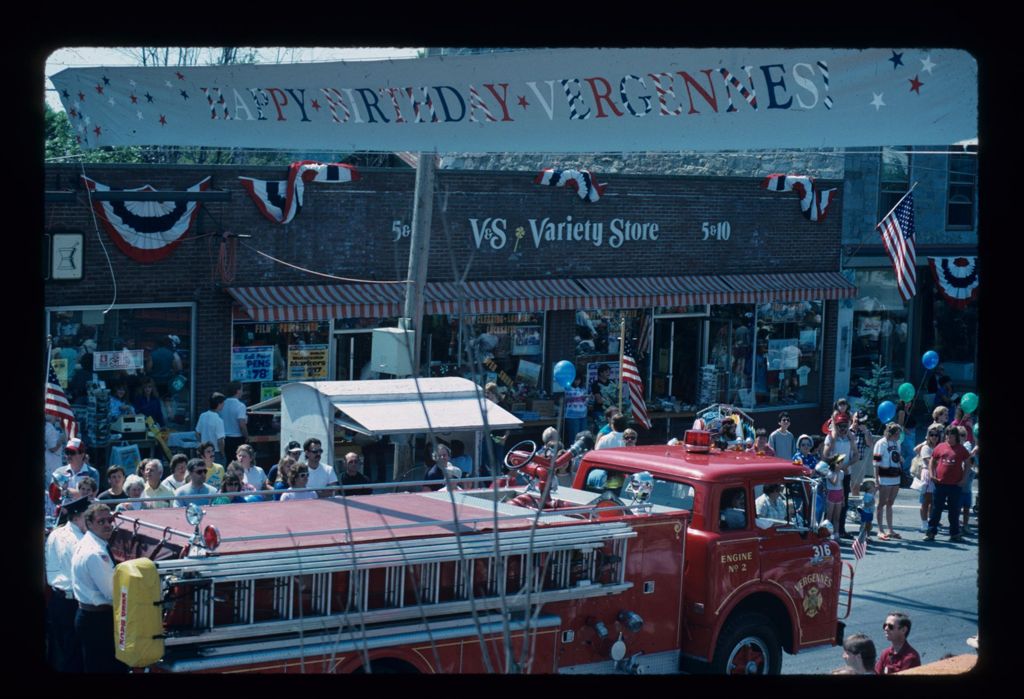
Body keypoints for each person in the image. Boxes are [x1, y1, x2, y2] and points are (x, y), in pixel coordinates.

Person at [71, 502, 129, 673]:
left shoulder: (88, 542)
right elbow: (112, 593)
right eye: (101, 522)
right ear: (89, 524)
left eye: (109, 520)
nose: (107, 525)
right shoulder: (96, 552)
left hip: (90, 617)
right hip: (98, 621)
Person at [45, 496, 89, 672]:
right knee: (74, 657)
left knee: (61, 653)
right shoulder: (79, 541)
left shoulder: (56, 533)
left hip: (57, 600)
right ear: (78, 516)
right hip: (73, 603)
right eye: (89, 515)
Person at [925, 426, 970, 542]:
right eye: (947, 435)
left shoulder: (961, 449)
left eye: (951, 435)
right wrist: (931, 474)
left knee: (954, 510)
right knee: (936, 509)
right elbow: (932, 461)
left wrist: (964, 479)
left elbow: (967, 464)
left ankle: (954, 533)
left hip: (955, 485)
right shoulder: (940, 447)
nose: (949, 437)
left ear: (956, 437)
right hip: (940, 483)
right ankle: (931, 532)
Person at [823, 413, 859, 538]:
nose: (843, 429)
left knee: (843, 503)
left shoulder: (851, 437)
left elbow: (856, 455)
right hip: (832, 474)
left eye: (845, 426)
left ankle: (840, 530)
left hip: (845, 473)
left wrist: (846, 465)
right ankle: (826, 531)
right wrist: (836, 465)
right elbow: (825, 455)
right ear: (836, 426)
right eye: (840, 426)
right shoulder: (830, 438)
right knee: (829, 505)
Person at [873, 422, 904, 541]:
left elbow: (897, 457)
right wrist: (876, 480)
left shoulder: (897, 443)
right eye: (897, 433)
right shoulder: (880, 443)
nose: (898, 436)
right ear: (891, 433)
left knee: (890, 503)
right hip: (884, 477)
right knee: (881, 503)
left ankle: (890, 529)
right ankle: (880, 529)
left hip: (895, 476)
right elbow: (876, 462)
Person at [913, 424, 944, 532]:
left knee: (933, 502)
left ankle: (932, 522)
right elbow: (929, 462)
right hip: (927, 474)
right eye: (931, 435)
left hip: (938, 474)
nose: (934, 437)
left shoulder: (940, 447)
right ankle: (924, 524)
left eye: (936, 435)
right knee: (925, 501)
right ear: (928, 436)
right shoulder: (925, 447)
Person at [848, 410, 877, 497]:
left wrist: (865, 432)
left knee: (855, 486)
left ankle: (855, 505)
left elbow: (870, 445)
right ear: (853, 418)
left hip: (858, 462)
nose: (858, 420)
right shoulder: (847, 431)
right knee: (844, 485)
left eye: (860, 419)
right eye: (856, 417)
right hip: (846, 461)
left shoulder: (865, 432)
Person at [195, 392, 226, 463]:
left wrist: (203, 444)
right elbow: (220, 441)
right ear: (219, 404)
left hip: (204, 452)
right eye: (223, 403)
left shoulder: (202, 415)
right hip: (216, 453)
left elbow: (197, 433)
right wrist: (223, 454)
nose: (224, 405)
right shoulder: (218, 420)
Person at [221, 382, 250, 460]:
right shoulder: (240, 406)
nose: (242, 392)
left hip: (224, 438)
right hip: (236, 438)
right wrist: (246, 436)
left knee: (227, 462)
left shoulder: (222, 404)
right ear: (238, 391)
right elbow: (241, 424)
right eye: (241, 389)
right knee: (238, 463)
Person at [563, 375, 590, 444]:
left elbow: (585, 402)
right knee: (574, 436)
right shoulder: (567, 388)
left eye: (579, 380)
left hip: (583, 414)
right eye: (576, 380)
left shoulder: (582, 389)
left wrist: (587, 399)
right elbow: (565, 399)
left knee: (583, 436)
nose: (577, 381)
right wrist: (578, 398)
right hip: (572, 416)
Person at [44, 415, 64, 489]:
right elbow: (53, 448)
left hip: (53, 464)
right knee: (56, 489)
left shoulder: (49, 427)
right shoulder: (48, 427)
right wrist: (62, 438)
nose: (56, 416)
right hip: (52, 466)